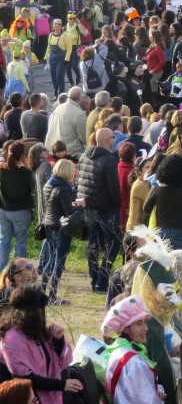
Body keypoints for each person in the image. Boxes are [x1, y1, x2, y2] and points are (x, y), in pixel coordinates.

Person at [0, 286, 79, 404]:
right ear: (33, 311)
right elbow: (25, 378)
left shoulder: (35, 330)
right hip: (25, 397)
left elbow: (57, 360)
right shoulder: (13, 338)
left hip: (46, 393)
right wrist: (61, 385)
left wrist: (58, 340)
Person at [78, 126, 122, 293]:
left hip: (89, 207)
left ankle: (94, 278)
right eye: (112, 137)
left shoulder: (84, 156)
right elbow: (114, 187)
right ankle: (102, 279)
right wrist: (117, 205)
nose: (114, 140)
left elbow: (80, 182)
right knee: (114, 242)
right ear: (107, 140)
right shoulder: (109, 160)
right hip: (106, 208)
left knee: (93, 243)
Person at [101, 295, 164, 404]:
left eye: (144, 322)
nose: (146, 328)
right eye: (139, 324)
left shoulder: (118, 349)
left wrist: (156, 388)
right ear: (125, 329)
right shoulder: (134, 362)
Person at [143, 154, 182, 251]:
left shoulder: (157, 188)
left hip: (160, 231)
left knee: (161, 263)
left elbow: (146, 208)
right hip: (180, 231)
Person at [40, 159, 76, 304]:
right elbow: (68, 212)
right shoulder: (64, 188)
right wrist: (79, 206)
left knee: (50, 260)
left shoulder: (50, 183)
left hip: (48, 224)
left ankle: (42, 293)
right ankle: (53, 295)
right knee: (59, 261)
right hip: (60, 227)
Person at [0, 141, 35, 273]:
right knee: (20, 241)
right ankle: (18, 271)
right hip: (20, 211)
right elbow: (33, 187)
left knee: (4, 240)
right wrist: (26, 165)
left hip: (3, 210)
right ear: (23, 156)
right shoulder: (25, 173)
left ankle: (1, 270)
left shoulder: (2, 170)